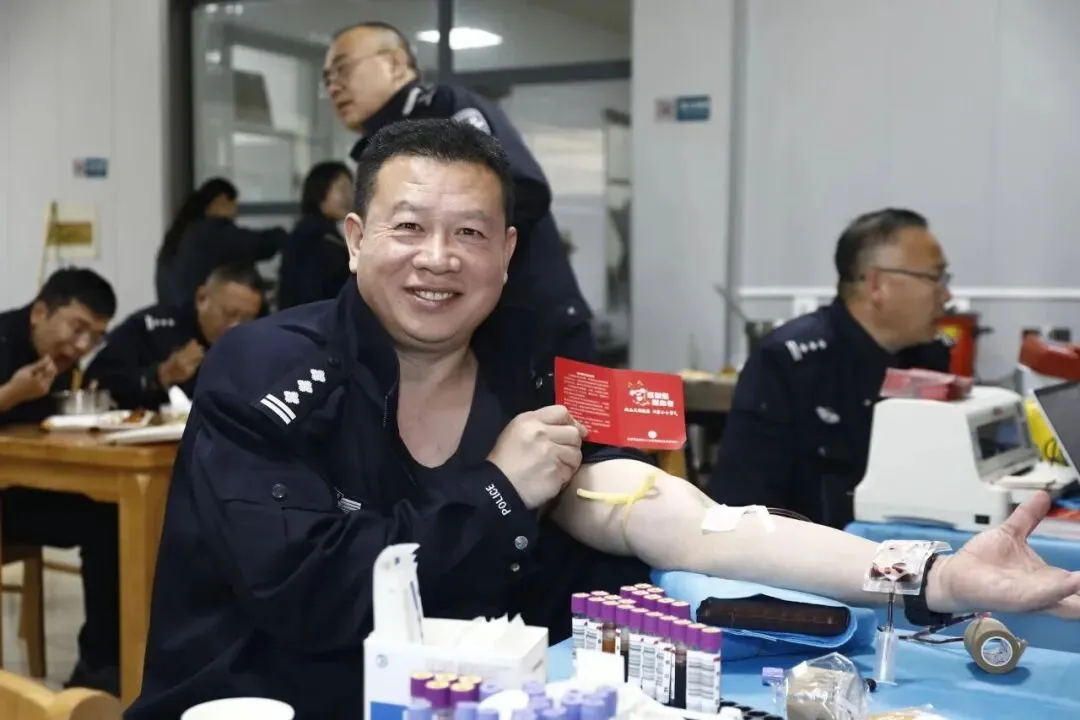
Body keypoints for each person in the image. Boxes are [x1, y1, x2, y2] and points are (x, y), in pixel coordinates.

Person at [127, 121, 1080, 720]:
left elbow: (681, 521)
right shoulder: (265, 369)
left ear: (507, 254)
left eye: (469, 233)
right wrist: (499, 490)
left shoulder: (531, 371)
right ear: (354, 238)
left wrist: (935, 576)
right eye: (408, 226)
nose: (438, 258)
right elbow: (310, 596)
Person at [323, 21, 597, 363]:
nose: (333, 86)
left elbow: (525, 189)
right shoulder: (377, 146)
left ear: (394, 63)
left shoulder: (445, 107)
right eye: (327, 79)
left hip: (530, 326)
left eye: (343, 69)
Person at [707, 208, 955, 529]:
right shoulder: (789, 363)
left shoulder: (928, 357)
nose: (946, 295)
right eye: (934, 278)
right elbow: (743, 504)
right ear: (877, 284)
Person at [0, 268, 121, 693]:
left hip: (30, 487)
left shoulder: (63, 364)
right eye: (77, 328)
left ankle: (104, 665)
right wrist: (11, 394)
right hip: (8, 497)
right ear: (39, 313)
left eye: (95, 336)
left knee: (114, 516)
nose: (83, 345)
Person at [85, 263, 265, 410]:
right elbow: (95, 383)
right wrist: (160, 376)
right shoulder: (152, 327)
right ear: (202, 298)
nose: (236, 327)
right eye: (229, 314)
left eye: (247, 319)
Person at [158, 177, 285, 308]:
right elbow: (257, 244)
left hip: (176, 313)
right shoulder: (212, 231)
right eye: (234, 205)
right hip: (200, 314)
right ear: (222, 200)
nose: (236, 215)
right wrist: (283, 236)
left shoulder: (181, 234)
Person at [276, 161, 353, 309]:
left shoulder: (318, 232)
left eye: (350, 190)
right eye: (342, 190)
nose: (348, 197)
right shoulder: (312, 238)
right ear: (320, 190)